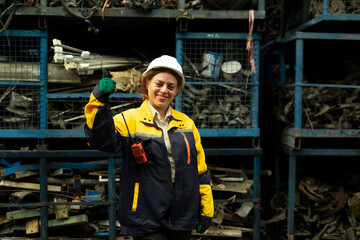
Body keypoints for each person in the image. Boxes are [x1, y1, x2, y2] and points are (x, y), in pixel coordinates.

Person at [84, 55, 214, 240]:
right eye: (158, 84)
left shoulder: (187, 124)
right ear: (147, 83)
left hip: (182, 217)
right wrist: (99, 99)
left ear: (177, 90)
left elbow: (200, 171)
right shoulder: (129, 120)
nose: (164, 91)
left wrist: (206, 210)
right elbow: (99, 140)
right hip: (145, 217)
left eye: (171, 86)